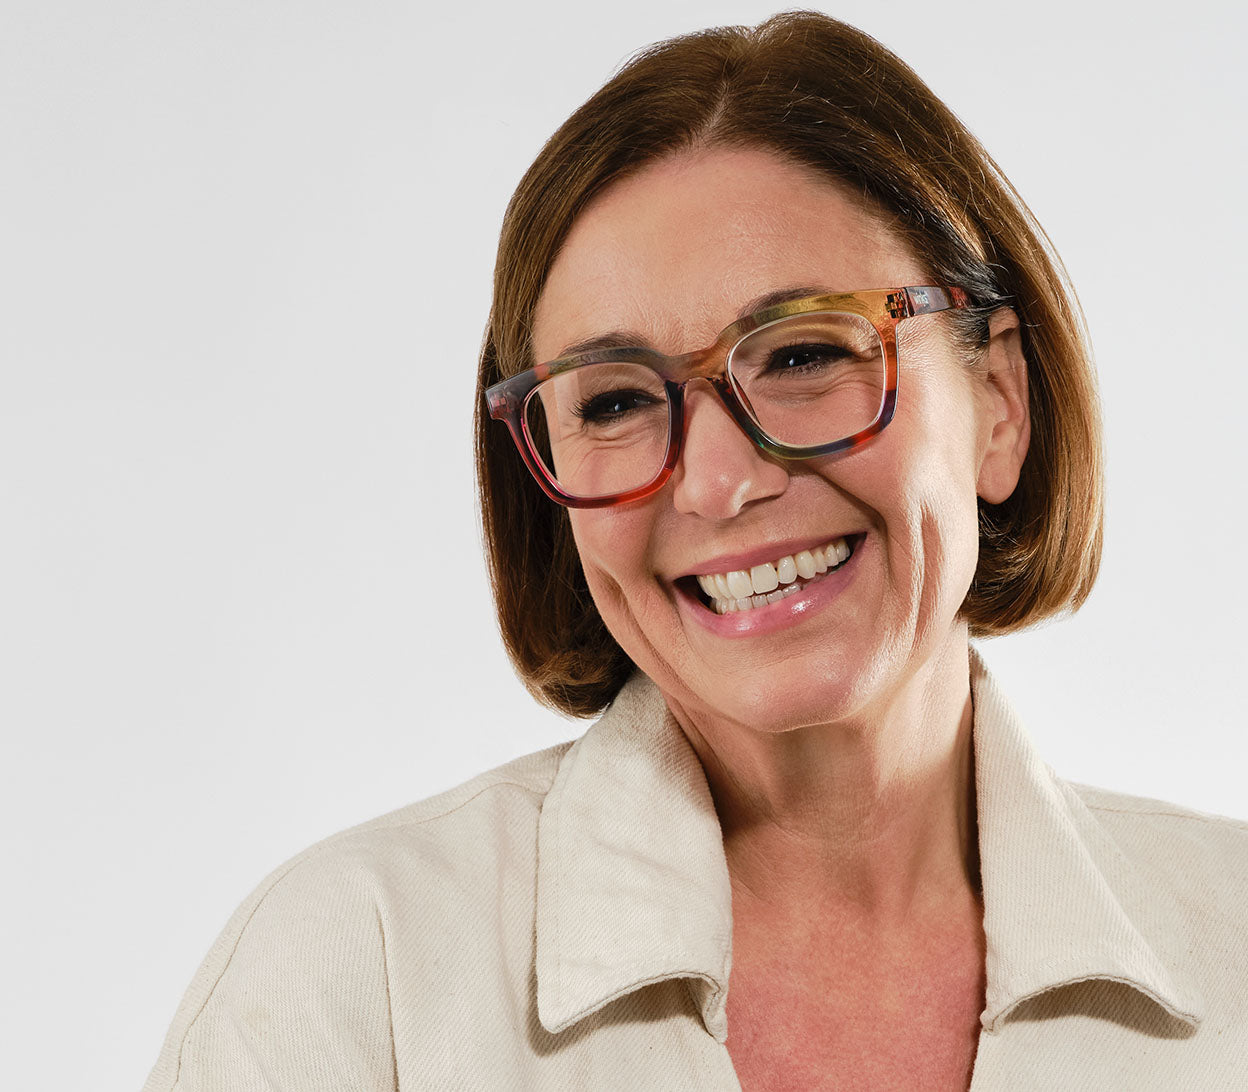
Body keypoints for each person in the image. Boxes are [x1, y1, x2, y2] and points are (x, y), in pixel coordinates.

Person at [143, 12, 1247, 1090]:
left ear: (1000, 402)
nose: (719, 483)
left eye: (807, 351)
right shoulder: (356, 977)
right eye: (617, 400)